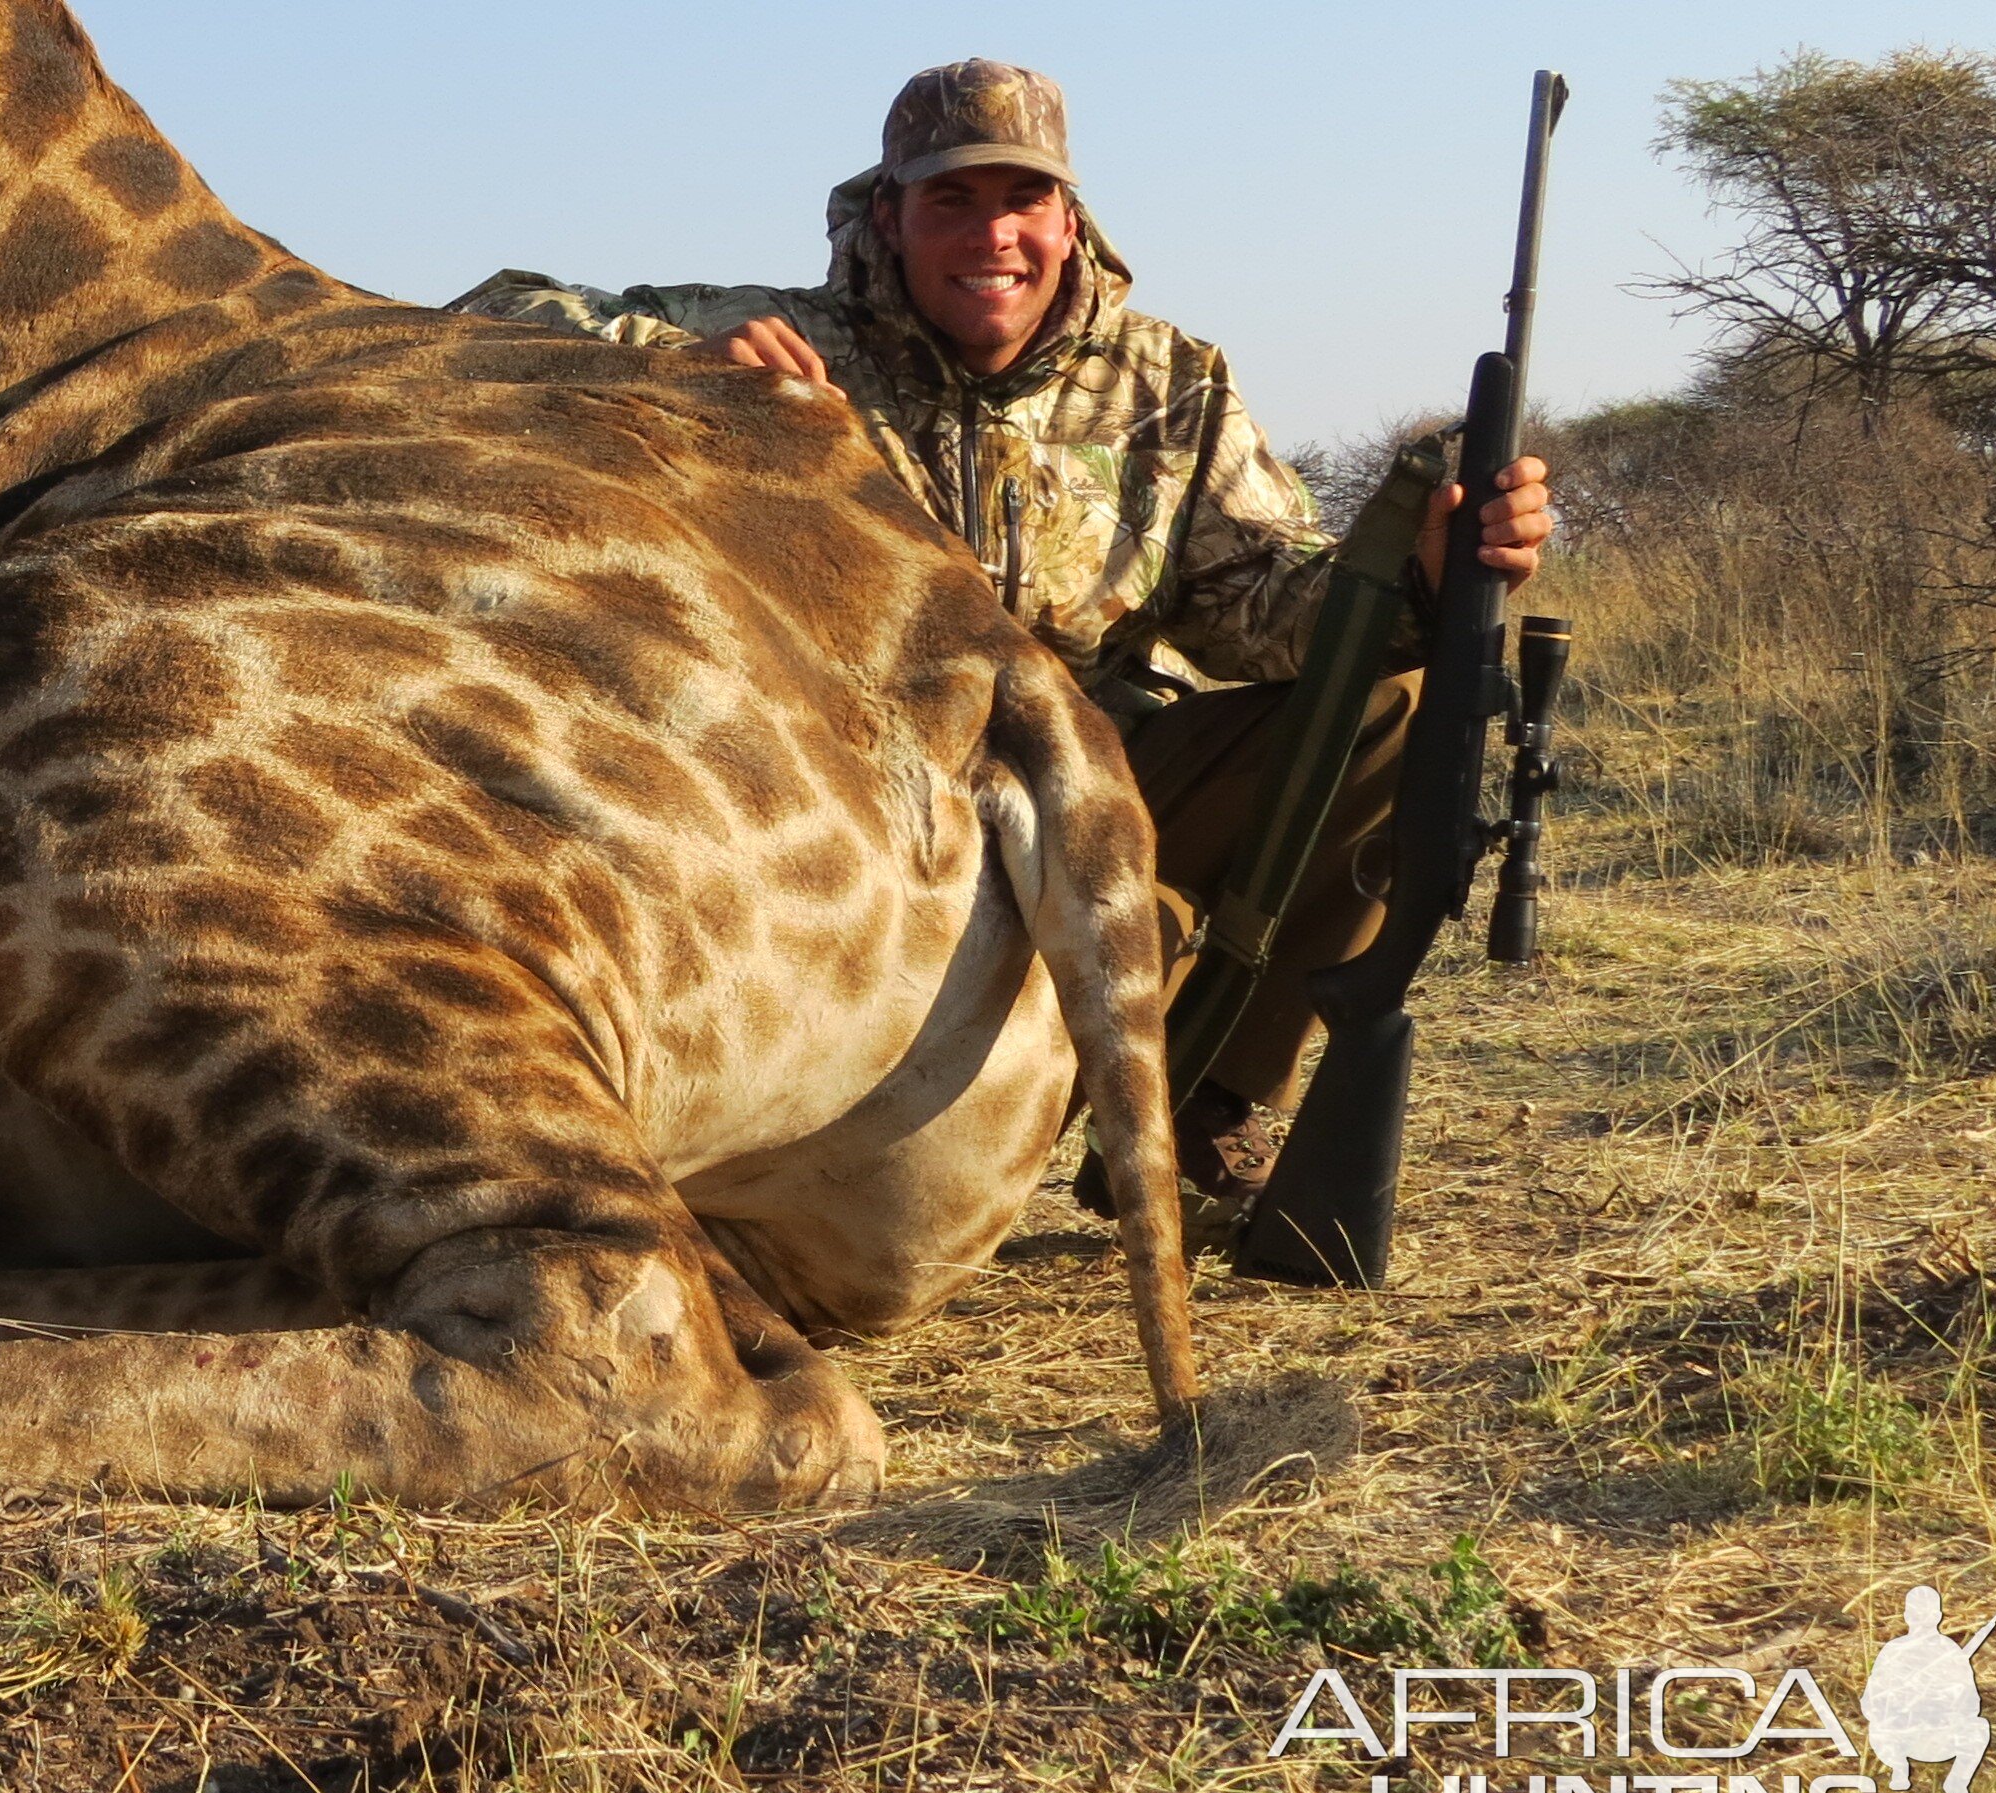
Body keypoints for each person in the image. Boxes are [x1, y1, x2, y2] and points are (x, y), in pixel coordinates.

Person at [451, 60, 1554, 1224]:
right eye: (951, 204)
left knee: (1396, 707)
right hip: (848, 808)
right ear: (887, 217)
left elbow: (1266, 615)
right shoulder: (770, 340)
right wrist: (672, 371)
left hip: (1091, 775)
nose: (994, 236)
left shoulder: (1171, 382)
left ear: (1069, 219)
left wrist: (1424, 579)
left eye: (1022, 201)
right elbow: (481, 312)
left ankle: (1211, 1102)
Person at [1861, 1585, 1992, 1793]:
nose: (1921, 1619)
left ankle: (1957, 1783)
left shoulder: (1951, 1652)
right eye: (1916, 1614)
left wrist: (1944, 1701)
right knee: (1877, 1727)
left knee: (1979, 1728)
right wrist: (1901, 1703)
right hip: (1900, 1737)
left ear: (1938, 1616)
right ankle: (1899, 1769)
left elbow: (1972, 1704)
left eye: (1927, 1614)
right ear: (1906, 1616)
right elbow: (1870, 1701)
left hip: (1941, 1736)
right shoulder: (1894, 1651)